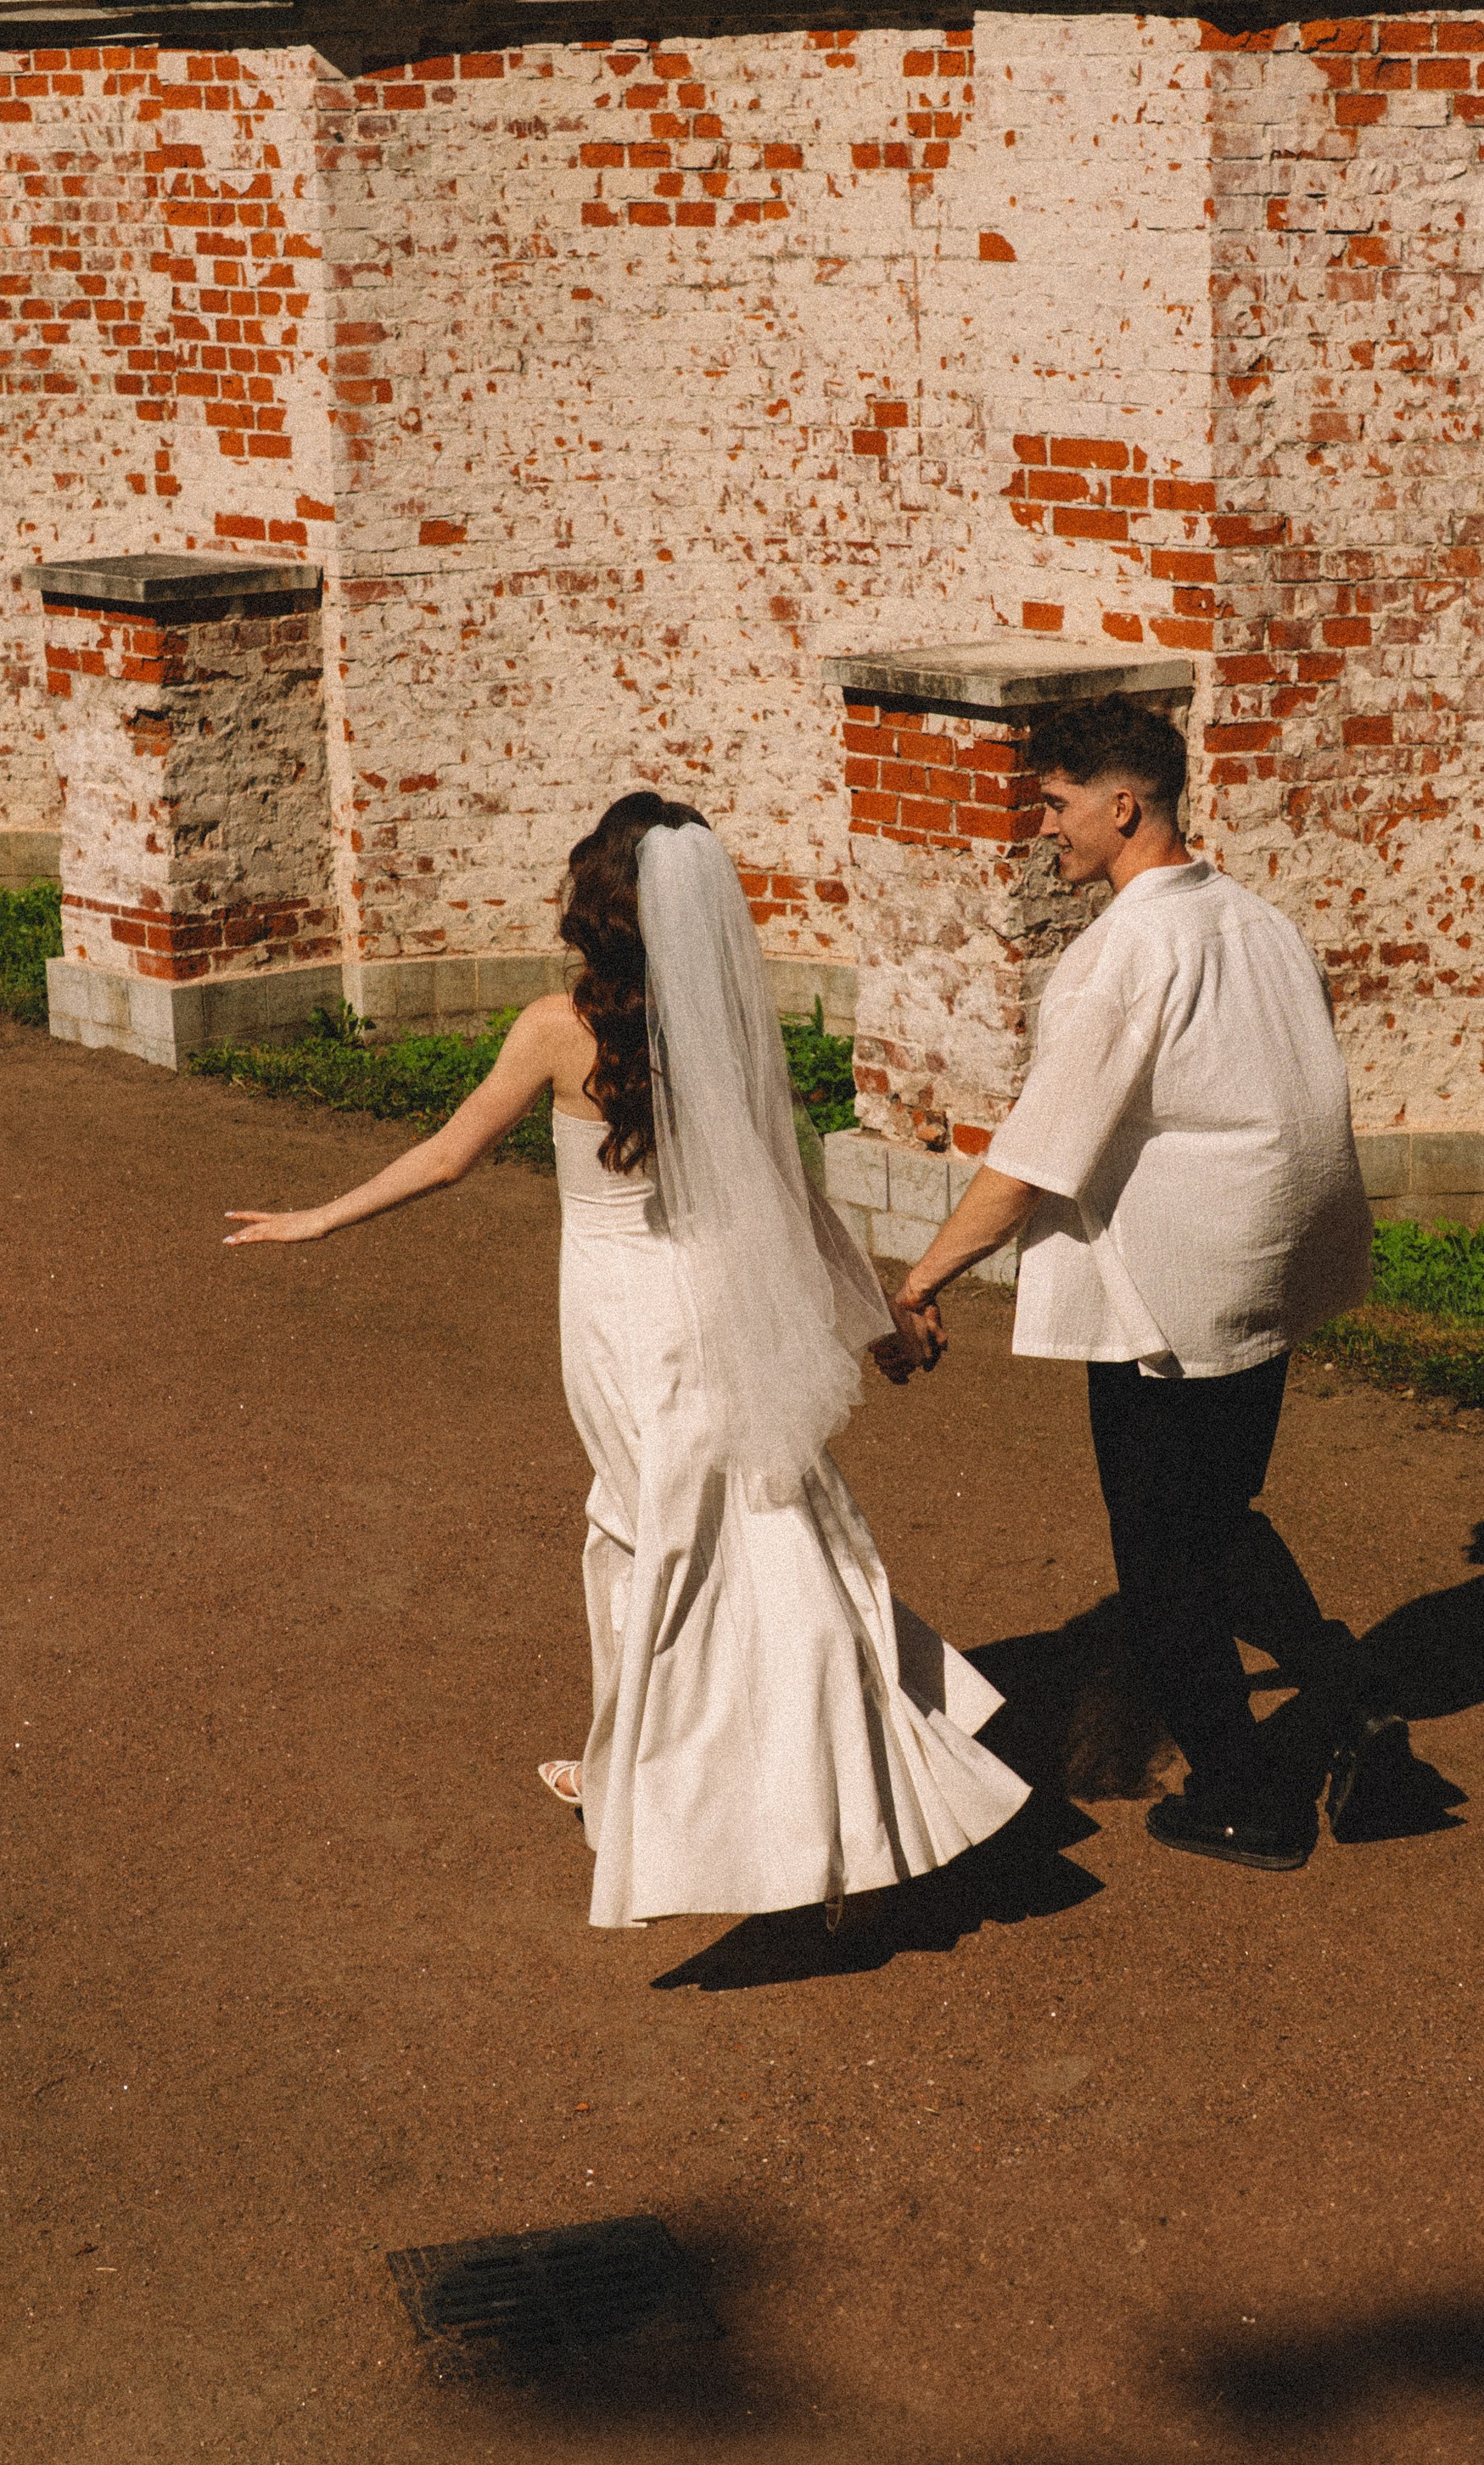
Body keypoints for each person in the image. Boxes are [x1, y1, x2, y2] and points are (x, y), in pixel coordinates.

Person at [225, 793, 1029, 1931]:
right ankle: (679, 1778)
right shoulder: (732, 1027)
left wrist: (319, 1218)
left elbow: (452, 1156)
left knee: (666, 1542)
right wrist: (879, 1320)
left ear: (596, 901)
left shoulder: (558, 1028)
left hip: (619, 1322)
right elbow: (796, 1197)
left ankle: (743, 1807)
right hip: (713, 1307)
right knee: (735, 1527)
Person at [889, 697, 1387, 1873]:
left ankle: (1242, 1791)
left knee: (1161, 1552)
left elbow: (1032, 1158)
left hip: (1174, 1291)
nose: (1042, 829)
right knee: (1220, 1517)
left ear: (1126, 806)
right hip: (1266, 1275)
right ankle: (1346, 1683)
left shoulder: (1121, 954)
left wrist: (923, 1278)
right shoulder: (1256, 919)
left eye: (1056, 804)